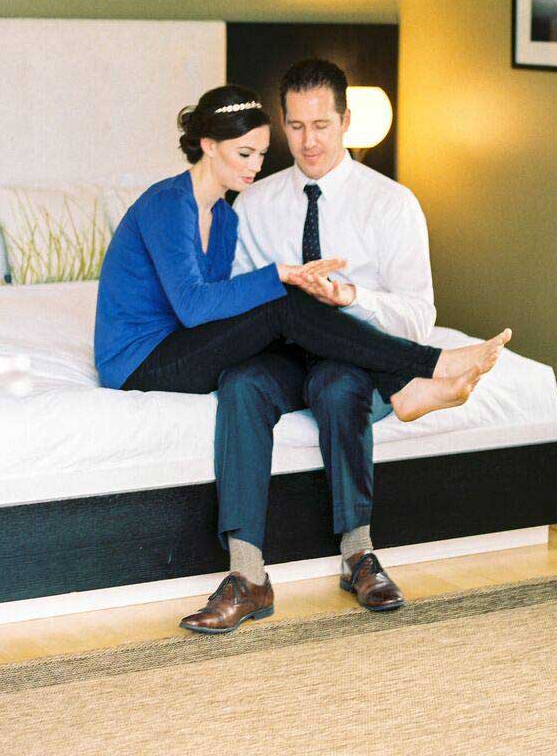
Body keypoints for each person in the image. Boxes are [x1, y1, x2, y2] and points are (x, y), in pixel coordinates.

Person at [93, 84, 511, 632]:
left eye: (261, 154)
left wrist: (299, 303)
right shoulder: (168, 203)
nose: (257, 165)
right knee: (281, 305)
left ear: (344, 123)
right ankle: (419, 372)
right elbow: (197, 307)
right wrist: (284, 280)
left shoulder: (225, 217)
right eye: (246, 153)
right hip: (138, 359)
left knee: (282, 327)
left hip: (196, 345)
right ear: (207, 145)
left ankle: (296, 568)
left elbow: (224, 308)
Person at [188, 59, 458, 636]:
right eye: (296, 126)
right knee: (240, 385)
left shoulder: (390, 204)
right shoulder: (256, 202)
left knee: (340, 388)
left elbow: (419, 314)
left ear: (347, 123)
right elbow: (233, 300)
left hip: (355, 353)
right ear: (281, 125)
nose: (308, 142)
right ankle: (247, 576)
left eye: (322, 126)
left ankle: (358, 555)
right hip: (285, 351)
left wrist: (350, 298)